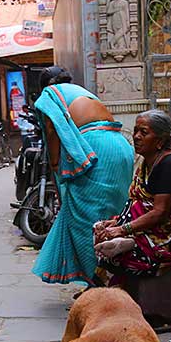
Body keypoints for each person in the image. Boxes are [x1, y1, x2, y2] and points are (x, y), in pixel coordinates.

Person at [31, 66, 134, 286]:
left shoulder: (50, 95)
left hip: (96, 148)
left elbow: (51, 130)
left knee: (86, 222)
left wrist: (56, 164)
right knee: (112, 217)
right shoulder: (81, 91)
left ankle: (96, 284)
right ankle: (117, 278)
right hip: (120, 146)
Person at [94, 110, 171, 283]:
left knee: (126, 256)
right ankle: (105, 287)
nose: (136, 136)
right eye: (135, 131)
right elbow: (138, 202)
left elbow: (159, 212)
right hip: (154, 226)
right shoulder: (147, 163)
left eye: (144, 132)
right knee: (101, 232)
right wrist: (117, 221)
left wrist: (122, 229)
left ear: (160, 141)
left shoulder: (169, 164)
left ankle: (116, 287)